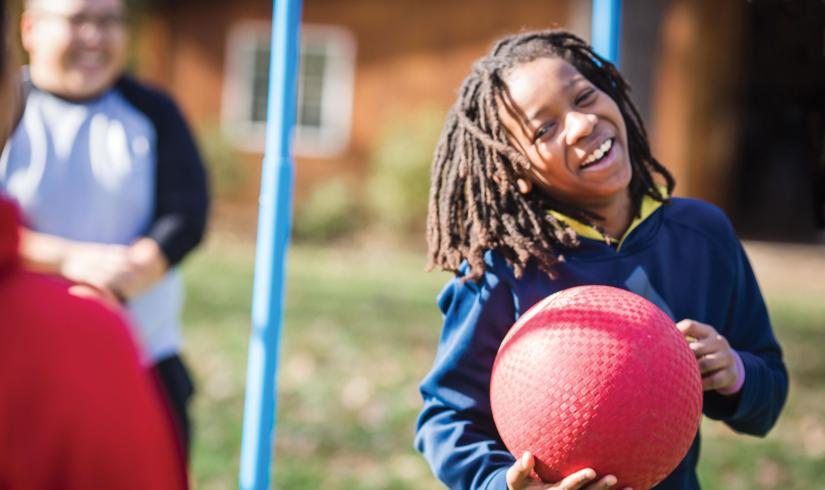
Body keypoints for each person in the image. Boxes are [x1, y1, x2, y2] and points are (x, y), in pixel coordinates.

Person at [415, 30, 788, 490]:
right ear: (518, 172)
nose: (581, 124)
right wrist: (499, 483)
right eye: (544, 129)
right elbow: (446, 419)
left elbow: (768, 394)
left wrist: (736, 372)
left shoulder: (704, 236)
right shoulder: (503, 268)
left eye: (585, 97)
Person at [0, 0, 209, 455]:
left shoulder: (154, 111)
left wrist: (127, 276)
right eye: (79, 20)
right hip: (19, 363)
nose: (95, 36)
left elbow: (186, 213)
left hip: (141, 357)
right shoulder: (7, 106)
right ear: (30, 29)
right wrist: (70, 260)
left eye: (110, 22)